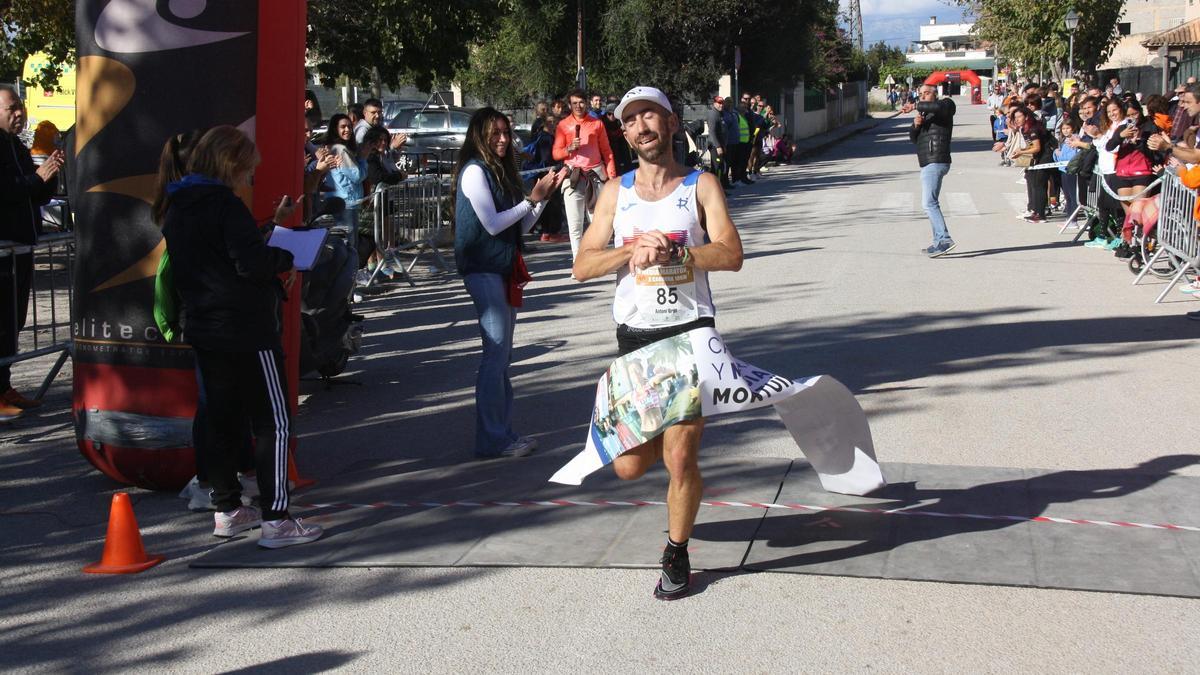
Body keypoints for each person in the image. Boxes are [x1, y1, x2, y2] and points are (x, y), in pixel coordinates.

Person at [572, 86, 743, 600]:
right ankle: (678, 501)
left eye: (652, 115)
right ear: (624, 133)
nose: (642, 126)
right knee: (627, 466)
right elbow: (582, 265)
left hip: (690, 337)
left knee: (681, 458)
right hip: (635, 340)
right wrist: (629, 253)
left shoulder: (700, 185)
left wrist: (680, 252)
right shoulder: (614, 193)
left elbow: (731, 254)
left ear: (671, 125)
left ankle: (676, 550)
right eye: (632, 120)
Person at [161, 125, 322, 548]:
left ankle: (228, 509)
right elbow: (249, 264)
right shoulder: (224, 205)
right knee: (274, 420)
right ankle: (277, 518)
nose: (248, 179)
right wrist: (285, 256)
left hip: (205, 325)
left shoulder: (178, 206)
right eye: (247, 171)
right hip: (246, 328)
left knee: (221, 419)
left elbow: (217, 260)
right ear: (231, 164)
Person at [453, 108, 566, 458]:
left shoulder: (499, 171)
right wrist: (531, 200)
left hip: (501, 267)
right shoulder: (474, 171)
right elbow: (491, 224)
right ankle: (493, 439)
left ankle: (501, 433)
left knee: (501, 356)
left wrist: (542, 197)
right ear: (480, 136)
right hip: (483, 267)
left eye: (505, 132)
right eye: (495, 134)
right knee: (495, 354)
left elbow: (519, 226)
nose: (503, 139)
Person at [0, 85, 62, 421]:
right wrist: (36, 178)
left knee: (13, 322)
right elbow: (8, 191)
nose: (19, 113)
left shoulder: (16, 145)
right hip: (4, 250)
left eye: (20, 106)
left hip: (20, 249)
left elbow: (35, 195)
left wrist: (50, 173)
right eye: (11, 108)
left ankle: (5, 385)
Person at [552, 89, 617, 260]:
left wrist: (611, 176)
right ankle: (578, 261)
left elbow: (607, 151)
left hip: (595, 176)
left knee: (598, 223)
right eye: (574, 103)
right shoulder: (563, 125)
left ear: (587, 102)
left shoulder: (597, 124)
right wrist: (569, 149)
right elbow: (556, 154)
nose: (578, 106)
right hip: (573, 176)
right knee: (575, 224)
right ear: (569, 105)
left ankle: (597, 259)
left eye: (581, 102)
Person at [902, 84, 957, 257]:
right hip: (927, 161)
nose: (923, 96)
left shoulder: (946, 105)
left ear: (935, 94)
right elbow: (914, 139)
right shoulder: (925, 113)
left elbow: (939, 107)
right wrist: (916, 125)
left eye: (926, 93)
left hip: (937, 160)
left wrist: (915, 105)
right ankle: (938, 242)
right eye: (920, 94)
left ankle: (945, 239)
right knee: (931, 203)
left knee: (928, 203)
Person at [704, 96, 730, 189]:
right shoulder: (713, 114)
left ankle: (721, 188)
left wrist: (724, 145)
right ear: (714, 103)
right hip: (715, 146)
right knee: (717, 167)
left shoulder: (720, 113)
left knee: (722, 167)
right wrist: (718, 146)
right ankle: (715, 189)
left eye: (722, 103)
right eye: (719, 103)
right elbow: (712, 132)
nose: (721, 105)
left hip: (722, 144)